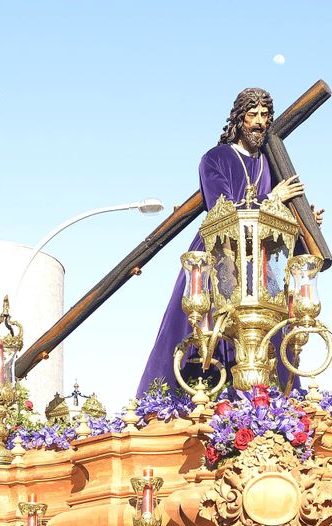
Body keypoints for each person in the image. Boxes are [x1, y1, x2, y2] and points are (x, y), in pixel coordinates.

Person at [135, 87, 321, 396]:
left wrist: (304, 222)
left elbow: (279, 226)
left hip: (261, 266)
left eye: (264, 116)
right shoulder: (215, 158)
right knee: (204, 331)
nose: (259, 122)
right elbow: (222, 206)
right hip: (220, 256)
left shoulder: (270, 165)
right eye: (252, 115)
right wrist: (272, 197)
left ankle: (267, 401)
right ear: (239, 119)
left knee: (270, 336)